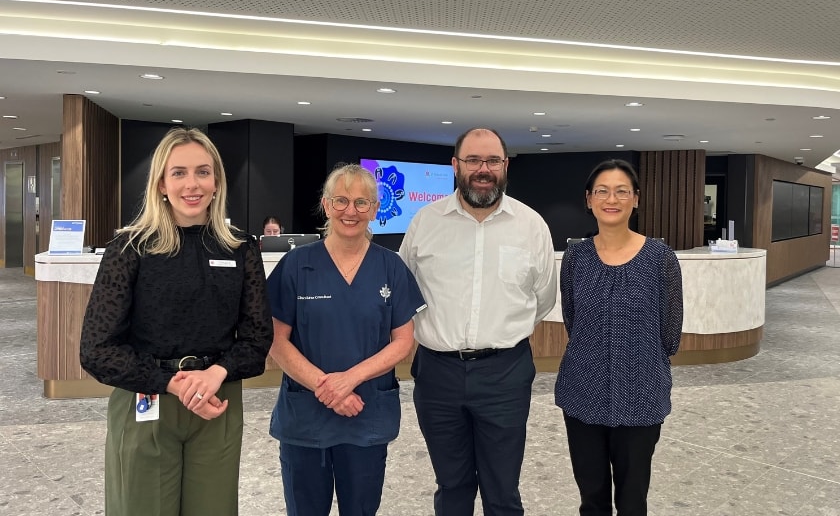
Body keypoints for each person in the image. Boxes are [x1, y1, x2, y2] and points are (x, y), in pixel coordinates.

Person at [79, 127, 273, 516]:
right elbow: (96, 350)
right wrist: (172, 383)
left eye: (203, 172)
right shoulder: (129, 248)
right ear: (161, 184)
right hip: (146, 399)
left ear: (216, 181)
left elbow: (256, 340)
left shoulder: (240, 248)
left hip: (217, 399)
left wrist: (214, 375)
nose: (192, 184)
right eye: (179, 173)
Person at [399, 127, 557, 516]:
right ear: (455, 166)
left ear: (505, 167)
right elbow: (404, 290)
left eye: (492, 161)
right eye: (473, 160)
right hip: (438, 375)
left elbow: (543, 300)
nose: (482, 169)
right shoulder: (425, 222)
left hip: (505, 374)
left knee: (502, 491)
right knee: (452, 486)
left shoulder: (531, 226)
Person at [266, 163, 426, 516]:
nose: (350, 211)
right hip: (306, 420)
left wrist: (349, 380)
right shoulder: (295, 265)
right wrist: (327, 387)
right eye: (340, 201)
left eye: (361, 202)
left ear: (375, 209)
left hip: (365, 414)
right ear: (326, 205)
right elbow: (276, 340)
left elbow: (403, 342)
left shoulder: (391, 268)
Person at [554, 158, 683, 516]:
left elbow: (670, 333)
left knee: (632, 500)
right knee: (591, 498)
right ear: (589, 199)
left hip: (641, 397)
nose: (612, 199)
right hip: (583, 395)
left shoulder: (660, 258)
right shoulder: (576, 257)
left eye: (622, 191)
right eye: (603, 191)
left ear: (636, 199)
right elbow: (573, 320)